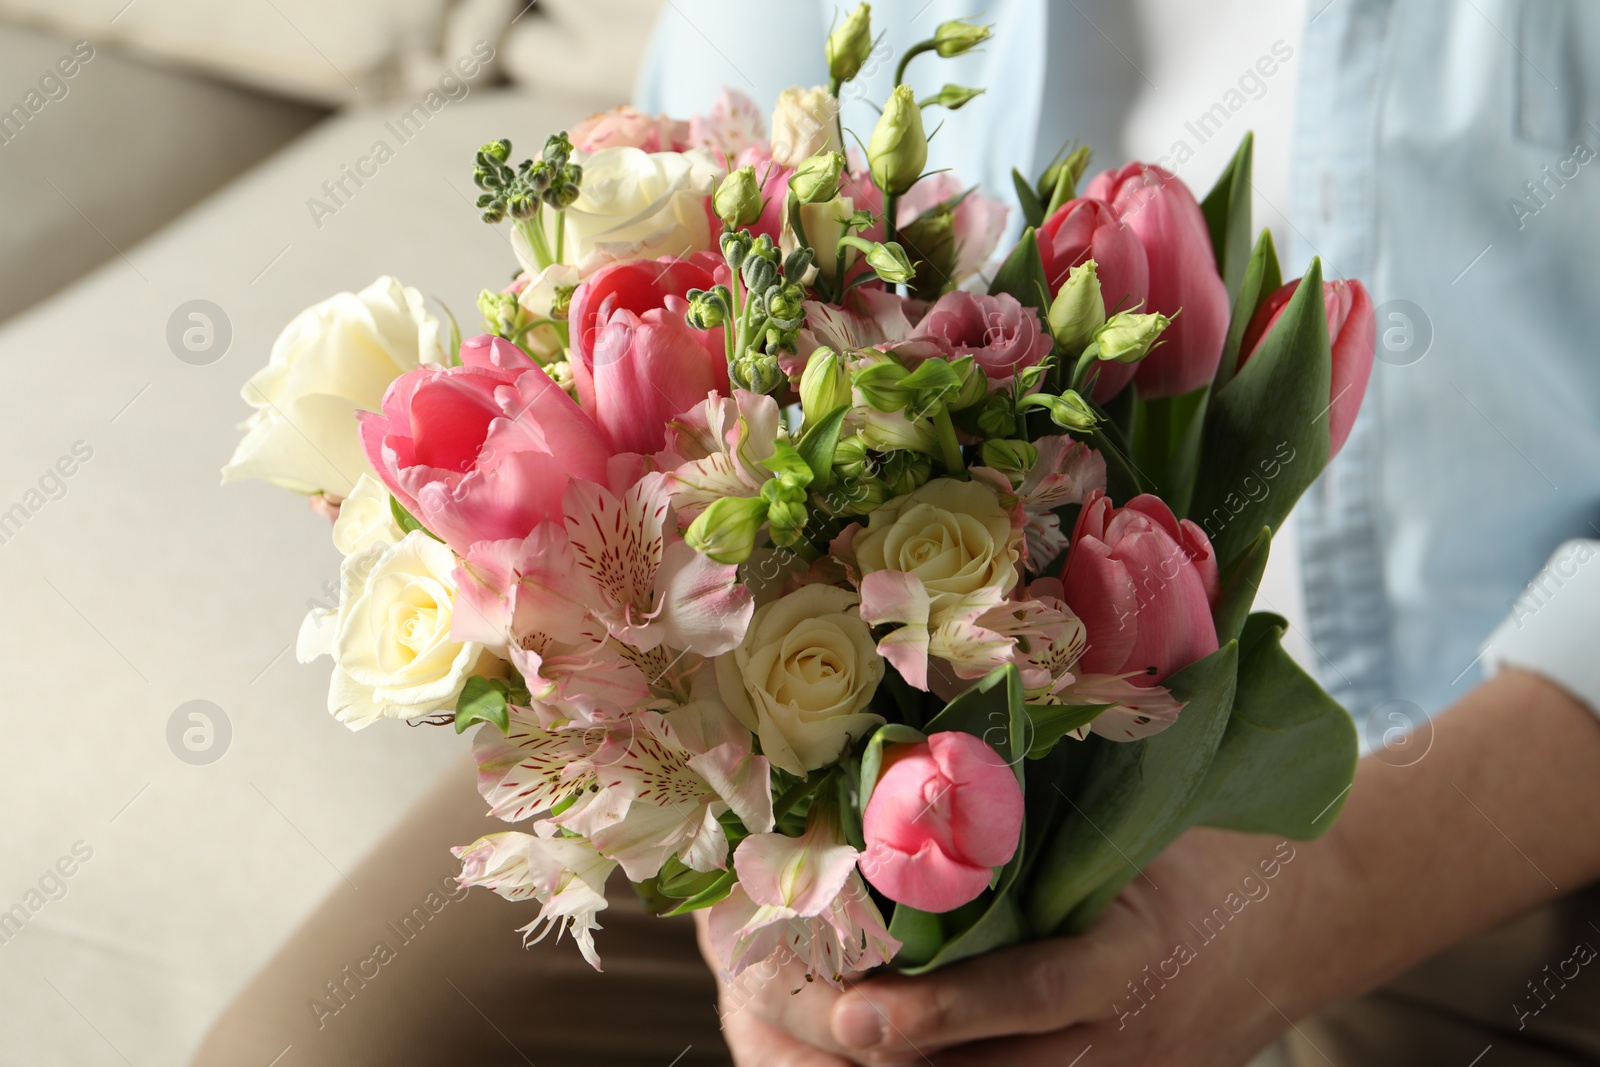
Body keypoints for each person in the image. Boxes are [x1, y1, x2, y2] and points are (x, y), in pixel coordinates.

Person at [193, 2, 1600, 1064]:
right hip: (855, 730)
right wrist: (743, 837)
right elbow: (697, 241)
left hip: (1489, 777)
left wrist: (1316, 900)